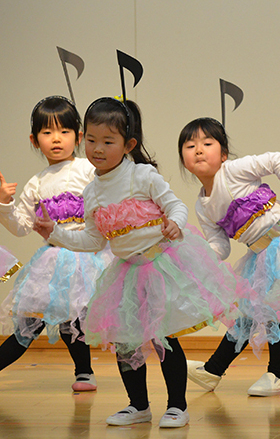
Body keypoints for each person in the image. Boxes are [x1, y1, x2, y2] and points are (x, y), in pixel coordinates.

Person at [34, 97, 241, 428]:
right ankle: (138, 405)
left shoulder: (142, 176)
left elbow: (175, 205)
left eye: (108, 141)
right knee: (126, 342)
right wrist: (55, 233)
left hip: (161, 265)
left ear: (128, 144)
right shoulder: (92, 192)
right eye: (91, 140)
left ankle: (177, 406)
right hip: (127, 272)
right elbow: (92, 240)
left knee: (165, 337)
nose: (97, 148)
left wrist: (174, 222)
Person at [178, 117, 280, 396]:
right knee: (248, 313)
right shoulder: (202, 205)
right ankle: (213, 370)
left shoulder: (233, 170)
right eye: (190, 145)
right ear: (183, 159)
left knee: (273, 312)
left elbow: (278, 159)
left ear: (222, 154)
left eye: (207, 144)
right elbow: (220, 246)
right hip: (260, 257)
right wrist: (198, 255)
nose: (198, 150)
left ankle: (278, 375)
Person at [0, 96, 110, 392]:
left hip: (89, 255)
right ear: (34, 140)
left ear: (79, 135)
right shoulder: (36, 183)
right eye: (47, 133)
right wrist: (3, 204)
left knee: (75, 319)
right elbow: (21, 227)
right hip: (53, 262)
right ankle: (84, 372)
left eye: (64, 131)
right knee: (34, 322)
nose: (56, 139)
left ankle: (85, 372)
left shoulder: (89, 170)